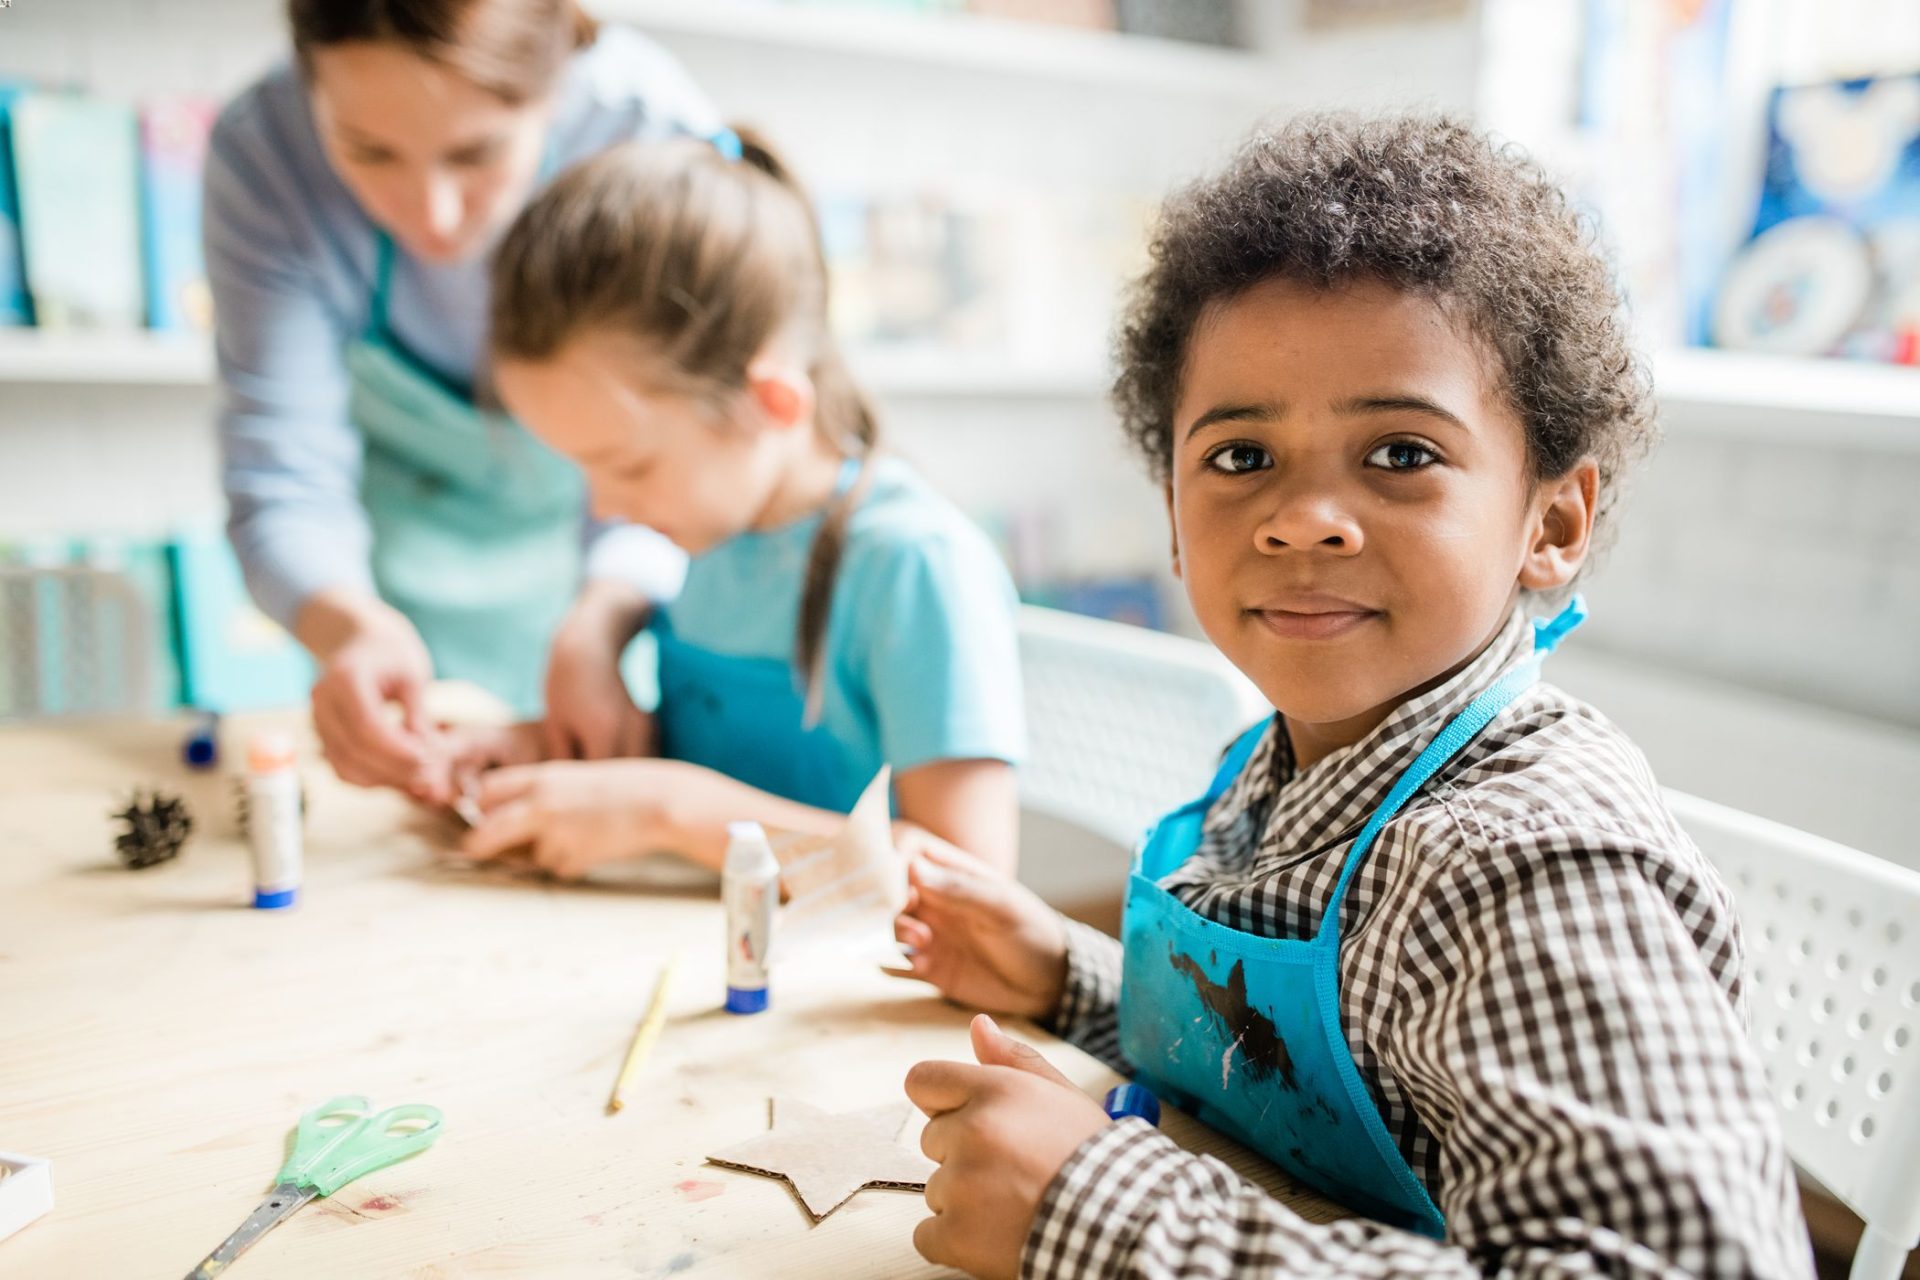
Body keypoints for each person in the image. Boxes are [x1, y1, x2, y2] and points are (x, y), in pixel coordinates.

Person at [893, 114, 1813, 1280]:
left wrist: (1105, 1216)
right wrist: (1068, 979)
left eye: (1399, 454)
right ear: (1174, 522)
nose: (1299, 516)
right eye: (1239, 458)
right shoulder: (1279, 758)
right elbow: (1316, 1076)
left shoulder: (1526, 865)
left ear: (1553, 522)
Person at [446, 131, 1024, 876]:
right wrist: (552, 766)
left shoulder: (914, 566)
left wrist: (666, 809)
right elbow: (728, 761)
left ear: (770, 405)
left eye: (627, 464)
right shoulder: (709, 528)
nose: (606, 505)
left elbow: (969, 878)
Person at [205, 0, 717, 798]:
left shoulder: (653, 133)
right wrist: (351, 629)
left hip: (620, 583)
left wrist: (603, 623)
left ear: (558, 92)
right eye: (368, 151)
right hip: (394, 566)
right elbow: (281, 476)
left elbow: (681, 457)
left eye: (476, 154)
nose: (433, 217)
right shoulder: (262, 155)